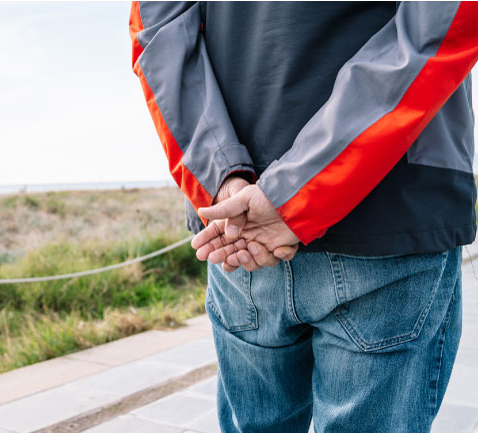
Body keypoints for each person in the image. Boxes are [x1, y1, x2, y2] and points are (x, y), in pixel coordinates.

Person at [129, 2, 478, 432]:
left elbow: (156, 30)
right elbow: (446, 20)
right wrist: (293, 195)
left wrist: (223, 179)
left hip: (239, 227)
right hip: (388, 208)